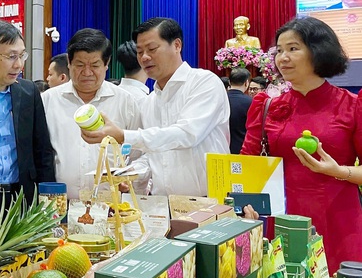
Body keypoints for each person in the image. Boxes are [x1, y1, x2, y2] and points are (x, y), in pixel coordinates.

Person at [241, 17, 362, 274]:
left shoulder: (352, 106)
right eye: (279, 50)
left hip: (338, 219)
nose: (283, 57)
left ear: (318, 51)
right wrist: (243, 206)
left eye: (293, 49)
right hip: (281, 221)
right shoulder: (266, 106)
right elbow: (248, 163)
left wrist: (338, 171)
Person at [81, 17, 230, 197]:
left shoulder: (204, 82)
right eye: (139, 51)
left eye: (152, 49)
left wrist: (123, 135)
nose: (144, 57)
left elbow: (188, 134)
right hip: (163, 205)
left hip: (209, 201)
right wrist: (130, 175)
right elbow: (152, 156)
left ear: (177, 45)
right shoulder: (149, 102)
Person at [0, 20, 54, 231]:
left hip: (22, 197)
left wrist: (48, 203)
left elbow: (43, 151)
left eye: (22, 55)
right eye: (11, 56)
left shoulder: (28, 92)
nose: (19, 65)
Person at [42, 28, 141, 199]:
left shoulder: (125, 102)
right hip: (59, 206)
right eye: (80, 65)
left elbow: (139, 153)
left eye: (94, 65)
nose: (87, 73)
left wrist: (130, 175)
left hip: (111, 207)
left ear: (106, 63)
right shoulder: (48, 101)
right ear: (69, 62)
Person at [227, 67, 252, 154]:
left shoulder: (219, 99)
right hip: (242, 149)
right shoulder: (251, 102)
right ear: (246, 83)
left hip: (219, 148)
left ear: (229, 82)